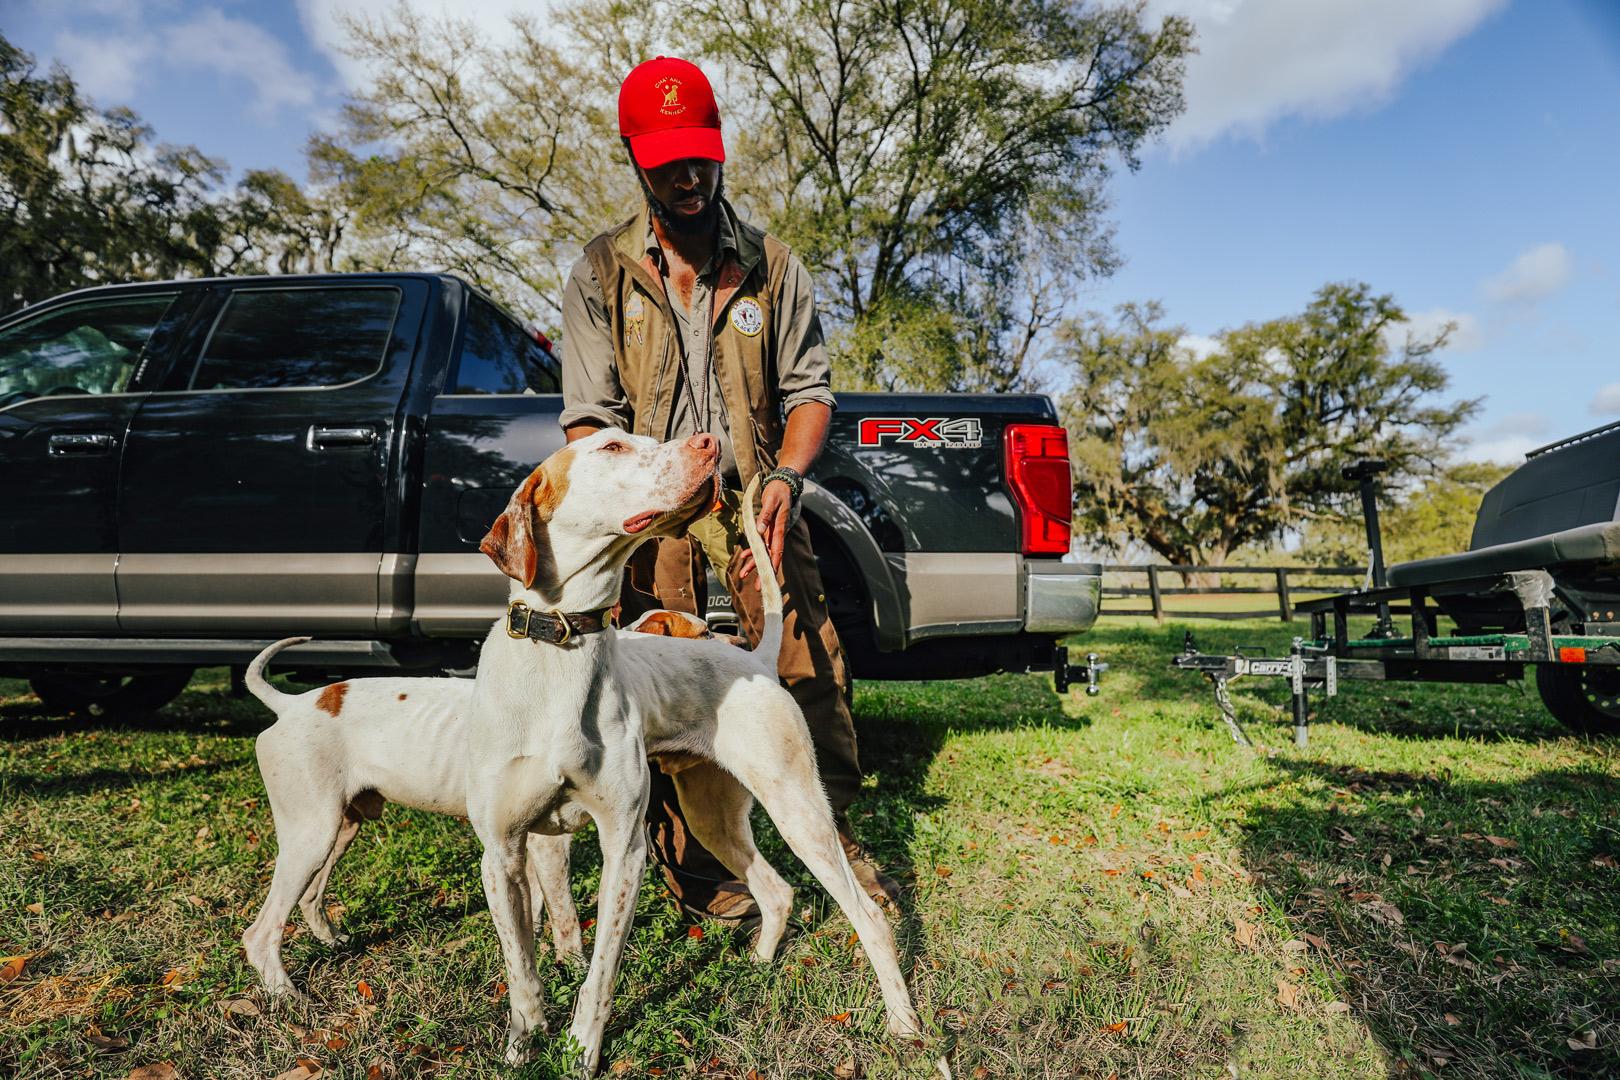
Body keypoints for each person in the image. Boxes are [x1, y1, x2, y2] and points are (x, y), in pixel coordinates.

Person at [558, 55, 898, 923]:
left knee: (804, 661)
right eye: (669, 161)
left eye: (702, 155)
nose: (690, 176)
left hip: (756, 501)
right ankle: (706, 871)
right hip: (655, 508)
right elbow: (589, 421)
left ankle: (835, 840)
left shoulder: (775, 267)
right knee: (655, 676)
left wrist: (782, 477)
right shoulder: (600, 272)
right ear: (636, 158)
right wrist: (646, 495)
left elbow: (810, 394)